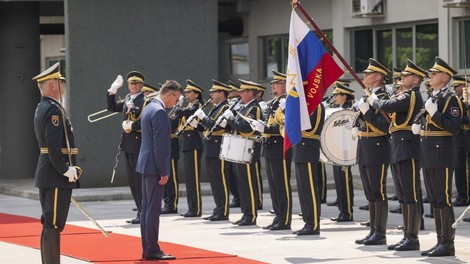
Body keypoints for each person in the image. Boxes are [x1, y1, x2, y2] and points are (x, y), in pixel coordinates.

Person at [369, 59, 426, 251]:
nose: (402, 78)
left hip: (408, 146)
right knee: (403, 195)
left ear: (416, 79)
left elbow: (388, 105)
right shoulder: (405, 94)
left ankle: (413, 237)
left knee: (410, 194)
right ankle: (407, 235)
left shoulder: (411, 95)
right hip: (399, 146)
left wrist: (374, 101)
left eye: (406, 75)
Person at [412, 57, 462, 257]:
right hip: (428, 152)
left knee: (443, 198)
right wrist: (420, 124)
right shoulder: (432, 97)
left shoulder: (451, 99)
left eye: (434, 73)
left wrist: (435, 115)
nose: (430, 76)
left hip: (441, 152)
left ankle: (448, 243)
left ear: (444, 77)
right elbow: (428, 119)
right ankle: (440, 240)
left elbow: (454, 127)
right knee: (434, 200)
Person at [33, 62, 81, 263]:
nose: (64, 85)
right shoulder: (53, 111)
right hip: (54, 175)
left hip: (50, 173)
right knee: (53, 223)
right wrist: (65, 170)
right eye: (61, 82)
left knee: (50, 223)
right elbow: (53, 146)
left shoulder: (44, 106)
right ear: (53, 85)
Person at [137, 80, 182, 261]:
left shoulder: (149, 108)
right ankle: (152, 250)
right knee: (153, 210)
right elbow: (161, 146)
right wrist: (164, 171)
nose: (176, 103)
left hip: (146, 164)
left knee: (146, 209)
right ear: (170, 94)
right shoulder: (160, 112)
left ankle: (147, 248)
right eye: (176, 98)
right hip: (155, 167)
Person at [273, 94, 325, 235]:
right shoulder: (303, 107)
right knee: (303, 191)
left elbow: (308, 128)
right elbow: (280, 120)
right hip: (299, 148)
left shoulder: (317, 105)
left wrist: (287, 114)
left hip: (308, 148)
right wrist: (285, 112)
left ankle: (313, 225)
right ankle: (308, 222)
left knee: (310, 190)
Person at [354, 58, 391, 246]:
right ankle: (372, 230)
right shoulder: (367, 96)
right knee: (370, 193)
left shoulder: (383, 98)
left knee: (379, 192)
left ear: (378, 77)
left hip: (378, 148)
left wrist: (367, 112)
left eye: (368, 73)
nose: (364, 76)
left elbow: (386, 126)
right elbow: (364, 119)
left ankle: (380, 232)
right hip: (364, 146)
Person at [222, 79, 265, 226]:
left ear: (250, 93)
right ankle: (245, 213)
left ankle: (250, 215)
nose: (239, 94)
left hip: (248, 149)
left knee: (248, 184)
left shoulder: (254, 108)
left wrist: (230, 118)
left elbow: (244, 127)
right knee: (242, 184)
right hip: (239, 148)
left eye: (243, 91)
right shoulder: (244, 108)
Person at [107, 71, 145, 224]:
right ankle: (140, 210)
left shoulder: (146, 100)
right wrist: (112, 90)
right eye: (131, 83)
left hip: (139, 143)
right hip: (128, 144)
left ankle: (144, 212)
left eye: (136, 83)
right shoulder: (128, 98)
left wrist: (132, 124)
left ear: (141, 85)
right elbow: (111, 107)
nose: (133, 86)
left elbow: (147, 121)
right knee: (132, 181)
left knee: (139, 180)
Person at [193, 79, 232, 221]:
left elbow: (217, 125)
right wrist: (197, 124)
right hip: (211, 146)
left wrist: (203, 117)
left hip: (220, 146)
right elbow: (208, 127)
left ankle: (223, 211)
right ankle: (218, 209)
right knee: (214, 181)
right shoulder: (216, 108)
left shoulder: (226, 108)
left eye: (213, 92)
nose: (210, 94)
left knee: (220, 180)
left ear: (221, 93)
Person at [259, 70, 293, 231]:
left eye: (276, 83)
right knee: (273, 185)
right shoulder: (274, 102)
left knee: (281, 184)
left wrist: (265, 128)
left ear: (285, 85)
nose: (272, 86)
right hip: (270, 147)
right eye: (272, 83)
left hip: (280, 147)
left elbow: (284, 126)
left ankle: (284, 219)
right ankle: (278, 216)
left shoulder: (286, 101)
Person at [175, 80, 205, 217]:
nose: (186, 94)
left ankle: (196, 209)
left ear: (196, 94)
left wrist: (178, 106)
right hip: (186, 142)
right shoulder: (190, 105)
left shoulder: (197, 105)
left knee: (193, 177)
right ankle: (191, 207)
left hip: (193, 142)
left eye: (189, 92)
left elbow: (185, 112)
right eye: (185, 92)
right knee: (188, 178)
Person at [329, 83, 355, 222]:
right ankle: (342, 210)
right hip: (337, 149)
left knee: (344, 182)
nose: (334, 97)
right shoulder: (338, 108)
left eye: (336, 95)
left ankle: (347, 212)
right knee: (339, 182)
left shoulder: (348, 110)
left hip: (344, 151)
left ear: (344, 96)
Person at [161, 90, 184, 214]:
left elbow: (171, 125)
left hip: (171, 145)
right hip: (164, 146)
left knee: (172, 177)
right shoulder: (166, 110)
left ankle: (172, 204)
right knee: (164, 176)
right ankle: (166, 202)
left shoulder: (176, 111)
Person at [451, 76, 470, 207]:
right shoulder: (456, 101)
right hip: (458, 137)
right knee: (459, 169)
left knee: (466, 170)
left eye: (456, 86)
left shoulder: (466, 101)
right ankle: (461, 195)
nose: (455, 89)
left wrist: (458, 120)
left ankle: (466, 197)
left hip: (467, 137)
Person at [226, 80, 241, 208]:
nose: (229, 94)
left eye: (232, 91)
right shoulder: (229, 104)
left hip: (241, 141)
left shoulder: (241, 105)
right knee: (230, 171)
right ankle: (236, 196)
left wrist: (235, 112)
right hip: (231, 139)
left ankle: (252, 199)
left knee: (241, 173)